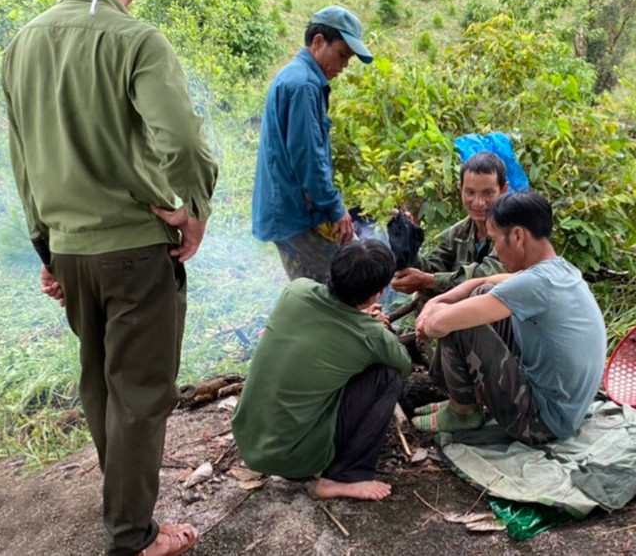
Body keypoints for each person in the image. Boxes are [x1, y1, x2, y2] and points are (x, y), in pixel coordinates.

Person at [1, 0, 218, 556]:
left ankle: (126, 514)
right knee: (140, 392)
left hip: (69, 250)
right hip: (134, 250)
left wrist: (47, 248)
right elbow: (182, 141)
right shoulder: (137, 41)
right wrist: (193, 208)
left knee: (99, 383)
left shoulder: (23, 44)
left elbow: (22, 160)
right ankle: (132, 535)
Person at [411, 192, 606, 444]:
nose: (495, 250)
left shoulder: (534, 283)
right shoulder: (559, 270)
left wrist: (428, 320)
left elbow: (439, 324)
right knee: (481, 294)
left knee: (460, 324)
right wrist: (437, 301)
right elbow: (483, 281)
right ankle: (463, 397)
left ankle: (462, 411)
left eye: (494, 240)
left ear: (517, 236)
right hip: (564, 409)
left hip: (542, 423)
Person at [232, 239, 412, 501]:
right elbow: (404, 366)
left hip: (249, 440)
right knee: (387, 378)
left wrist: (363, 320)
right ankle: (343, 477)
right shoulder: (370, 335)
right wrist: (377, 328)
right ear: (376, 294)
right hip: (293, 459)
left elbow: (330, 324)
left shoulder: (296, 290)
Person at [251, 6, 373, 284]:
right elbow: (308, 157)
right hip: (295, 212)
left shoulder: (295, 77)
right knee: (346, 283)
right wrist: (334, 207)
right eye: (342, 54)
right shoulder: (304, 85)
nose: (344, 65)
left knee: (307, 289)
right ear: (318, 41)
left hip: (287, 209)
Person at [391, 151, 508, 296]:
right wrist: (407, 241)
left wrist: (429, 281)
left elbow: (487, 276)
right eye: (470, 193)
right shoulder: (458, 232)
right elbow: (430, 269)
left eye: (487, 193)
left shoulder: (510, 231)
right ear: (460, 189)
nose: (478, 202)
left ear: (503, 190)